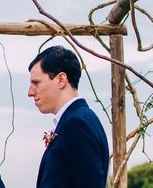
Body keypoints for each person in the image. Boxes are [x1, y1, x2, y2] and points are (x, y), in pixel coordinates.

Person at [28, 46, 110, 188]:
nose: (30, 92)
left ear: (61, 79)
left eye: (36, 83)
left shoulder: (77, 124)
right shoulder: (79, 119)